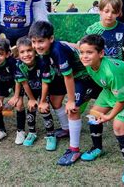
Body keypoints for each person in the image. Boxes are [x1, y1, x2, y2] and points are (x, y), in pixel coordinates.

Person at [78, 34, 124, 185]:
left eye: (89, 52)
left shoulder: (111, 72)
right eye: (82, 52)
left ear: (101, 53)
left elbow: (122, 99)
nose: (84, 56)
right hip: (113, 89)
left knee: (119, 126)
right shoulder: (89, 65)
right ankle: (97, 148)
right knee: (94, 115)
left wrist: (110, 116)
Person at [85, 0, 124, 149]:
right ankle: (96, 143)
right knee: (98, 106)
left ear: (119, 13)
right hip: (101, 75)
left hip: (118, 75)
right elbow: (85, 49)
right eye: (106, 11)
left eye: (113, 12)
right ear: (100, 11)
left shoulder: (123, 29)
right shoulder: (93, 29)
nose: (109, 15)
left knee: (123, 105)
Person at [29, 21, 96, 153]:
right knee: (54, 100)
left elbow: (69, 76)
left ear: (51, 38)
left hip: (81, 76)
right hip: (63, 73)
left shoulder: (57, 50)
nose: (37, 46)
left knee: (73, 108)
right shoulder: (43, 54)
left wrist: (71, 101)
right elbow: (46, 79)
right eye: (34, 42)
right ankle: (66, 128)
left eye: (41, 41)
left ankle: (74, 149)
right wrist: (42, 101)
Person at [14, 36, 54, 147]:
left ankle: (51, 135)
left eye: (29, 50)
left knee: (44, 109)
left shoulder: (43, 62)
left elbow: (46, 83)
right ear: (18, 53)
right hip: (31, 89)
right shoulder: (19, 65)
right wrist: (31, 99)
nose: (26, 54)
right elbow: (24, 83)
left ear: (34, 51)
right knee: (31, 108)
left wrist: (42, 101)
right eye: (22, 52)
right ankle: (32, 133)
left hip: (43, 89)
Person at [0, 37, 25, 144]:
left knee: (19, 105)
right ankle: (1, 130)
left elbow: (18, 80)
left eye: (0, 54)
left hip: (15, 82)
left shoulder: (13, 62)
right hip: (1, 82)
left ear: (7, 54)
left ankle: (21, 131)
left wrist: (16, 96)